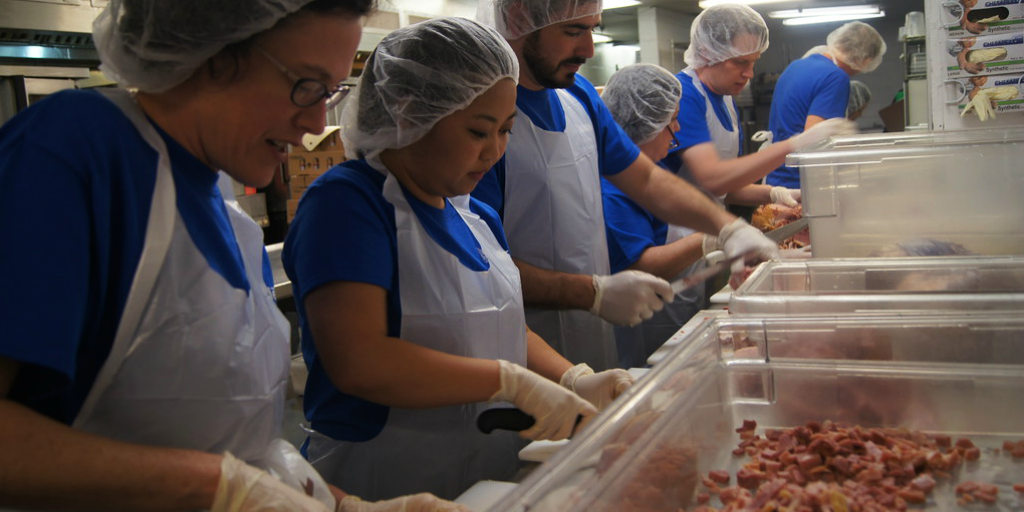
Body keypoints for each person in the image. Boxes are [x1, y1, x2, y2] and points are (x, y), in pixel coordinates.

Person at [0, 1, 466, 511]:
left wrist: (342, 506)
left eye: (329, 94)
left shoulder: (232, 226)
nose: (314, 122)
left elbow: (239, 447)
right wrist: (213, 485)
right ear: (216, 54)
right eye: (306, 86)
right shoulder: (77, 152)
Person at [283, 17, 631, 501]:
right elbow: (359, 361)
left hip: (485, 473)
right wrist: (509, 382)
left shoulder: (475, 215)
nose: (493, 152)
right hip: (381, 481)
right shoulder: (347, 204)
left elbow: (504, 325)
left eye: (506, 130)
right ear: (411, 114)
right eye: (477, 131)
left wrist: (574, 377)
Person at [474, 0, 780, 372]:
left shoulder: (579, 95)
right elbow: (482, 263)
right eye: (573, 31)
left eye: (592, 29)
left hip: (596, 333)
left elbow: (648, 179)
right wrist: (593, 293)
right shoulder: (481, 121)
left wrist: (726, 227)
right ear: (521, 18)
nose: (588, 49)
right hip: (522, 348)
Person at [662, 4, 854, 209]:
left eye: (753, 62)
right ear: (707, 53)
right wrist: (795, 144)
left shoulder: (726, 100)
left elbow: (728, 189)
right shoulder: (685, 95)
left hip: (707, 229)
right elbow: (712, 179)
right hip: (674, 233)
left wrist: (776, 193)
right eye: (740, 62)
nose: (749, 74)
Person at [599, 63, 718, 368]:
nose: (677, 129)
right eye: (672, 120)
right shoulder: (613, 187)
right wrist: (711, 239)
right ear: (645, 123)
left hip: (674, 312)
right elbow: (639, 264)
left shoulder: (653, 164)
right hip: (645, 327)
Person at [766, 21, 886, 189]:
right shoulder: (835, 77)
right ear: (865, 60)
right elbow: (817, 143)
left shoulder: (796, 66)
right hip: (801, 187)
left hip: (775, 180)